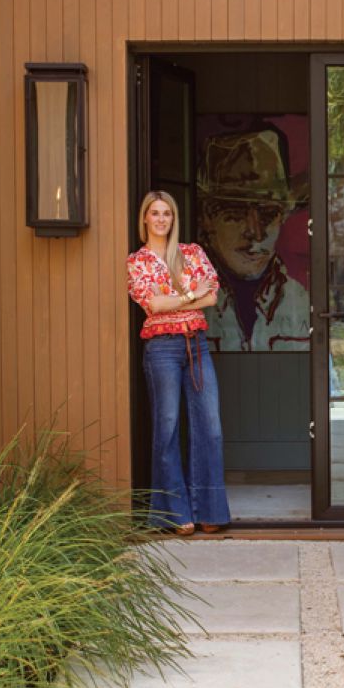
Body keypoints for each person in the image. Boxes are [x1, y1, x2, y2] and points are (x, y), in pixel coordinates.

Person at [127, 191, 231, 535]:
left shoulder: (192, 252)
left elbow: (212, 296)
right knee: (167, 428)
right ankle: (174, 514)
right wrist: (188, 296)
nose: (161, 219)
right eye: (155, 213)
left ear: (174, 218)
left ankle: (210, 512)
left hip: (196, 345)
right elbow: (152, 305)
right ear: (145, 219)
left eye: (167, 214)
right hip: (162, 349)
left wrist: (178, 300)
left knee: (210, 427)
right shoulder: (137, 261)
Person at [197, 129, 310, 351]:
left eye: (268, 213)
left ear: (283, 217)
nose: (255, 233)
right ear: (208, 218)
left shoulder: (298, 300)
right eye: (236, 212)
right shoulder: (192, 294)